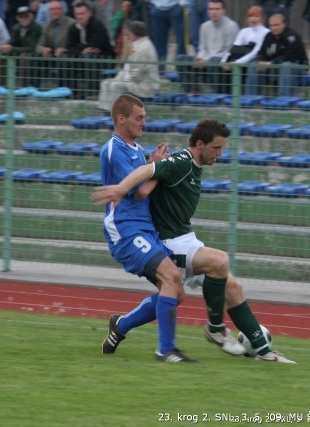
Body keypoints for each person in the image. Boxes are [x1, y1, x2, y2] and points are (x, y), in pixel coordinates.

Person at [93, 118, 296, 364]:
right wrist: (120, 188)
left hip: (186, 239)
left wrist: (153, 166)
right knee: (219, 261)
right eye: (216, 148)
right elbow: (145, 174)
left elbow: (146, 188)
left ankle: (264, 352)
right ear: (200, 144)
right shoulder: (181, 161)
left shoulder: (191, 166)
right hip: (168, 243)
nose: (220, 154)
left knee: (231, 287)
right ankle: (214, 329)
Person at [95, 94, 195, 363]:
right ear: (121, 118)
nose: (144, 123)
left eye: (145, 118)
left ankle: (121, 325)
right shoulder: (114, 148)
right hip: (126, 230)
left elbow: (145, 181)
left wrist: (152, 164)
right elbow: (140, 191)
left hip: (144, 229)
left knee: (177, 291)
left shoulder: (137, 151)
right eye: (139, 118)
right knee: (172, 278)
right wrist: (158, 167)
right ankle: (166, 350)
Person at [176, 0, 239, 94]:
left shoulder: (232, 26)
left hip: (222, 64)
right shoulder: (204, 26)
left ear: (224, 11)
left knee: (214, 60)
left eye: (217, 9)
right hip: (206, 61)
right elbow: (202, 48)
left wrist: (206, 60)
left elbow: (228, 52)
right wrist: (200, 58)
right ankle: (193, 91)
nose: (213, 12)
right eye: (211, 9)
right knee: (180, 59)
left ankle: (218, 95)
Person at [97, 21, 160, 112]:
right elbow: (127, 67)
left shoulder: (145, 48)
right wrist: (119, 77)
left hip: (144, 85)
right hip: (133, 80)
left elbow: (137, 74)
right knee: (106, 83)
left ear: (135, 33)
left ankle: (114, 113)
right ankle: (105, 112)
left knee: (116, 85)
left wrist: (122, 80)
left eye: (129, 33)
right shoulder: (138, 45)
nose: (128, 35)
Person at [244, 13, 307, 97]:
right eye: (271, 25)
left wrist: (271, 63)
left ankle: (284, 100)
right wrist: (261, 61)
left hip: (296, 68)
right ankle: (251, 99)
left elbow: (290, 57)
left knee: (286, 66)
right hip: (273, 67)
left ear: (284, 24)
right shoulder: (269, 36)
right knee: (253, 65)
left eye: (276, 25)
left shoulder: (293, 36)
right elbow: (262, 53)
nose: (273, 28)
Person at [66, 1, 114, 98]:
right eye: (77, 14)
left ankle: (93, 93)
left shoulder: (97, 25)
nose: (79, 17)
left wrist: (80, 49)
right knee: (65, 57)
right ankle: (70, 92)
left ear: (89, 13)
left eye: (82, 14)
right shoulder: (73, 28)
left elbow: (96, 46)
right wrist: (82, 51)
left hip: (104, 58)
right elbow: (69, 47)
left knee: (90, 57)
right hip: (82, 57)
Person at [34, 0, 75, 88]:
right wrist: (43, 49)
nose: (55, 11)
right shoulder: (46, 26)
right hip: (52, 56)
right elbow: (38, 46)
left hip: (67, 55)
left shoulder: (71, 23)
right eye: (52, 10)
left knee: (64, 58)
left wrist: (65, 49)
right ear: (49, 12)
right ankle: (35, 88)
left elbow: (76, 44)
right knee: (34, 56)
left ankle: (63, 89)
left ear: (63, 10)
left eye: (57, 9)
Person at [0, 6, 41, 86]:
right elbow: (12, 41)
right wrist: (6, 46)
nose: (24, 19)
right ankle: (1, 85)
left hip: (33, 54)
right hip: (18, 51)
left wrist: (12, 48)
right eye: (21, 17)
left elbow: (31, 47)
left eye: (26, 16)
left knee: (24, 56)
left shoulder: (36, 27)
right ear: (17, 18)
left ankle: (21, 86)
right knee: (1, 55)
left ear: (31, 16)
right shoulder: (16, 28)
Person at [220, 5, 269, 73]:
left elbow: (255, 52)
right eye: (251, 16)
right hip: (239, 59)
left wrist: (237, 62)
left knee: (252, 65)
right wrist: (224, 61)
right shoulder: (243, 31)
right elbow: (233, 49)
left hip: (254, 60)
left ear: (262, 18)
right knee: (216, 60)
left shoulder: (266, 32)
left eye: (256, 16)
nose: (253, 19)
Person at [149, 0, 186, 71]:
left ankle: (181, 71)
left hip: (175, 7)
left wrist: (183, 3)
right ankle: (161, 71)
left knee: (181, 41)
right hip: (157, 7)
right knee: (159, 44)